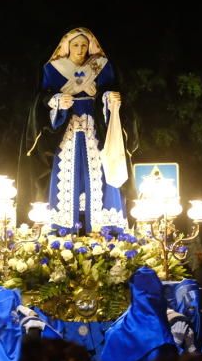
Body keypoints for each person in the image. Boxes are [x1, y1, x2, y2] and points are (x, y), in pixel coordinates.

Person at [24, 27, 133, 233]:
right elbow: (41, 100)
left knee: (100, 170)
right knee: (65, 171)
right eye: (75, 45)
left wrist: (109, 99)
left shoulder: (101, 67)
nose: (80, 49)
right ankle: (62, 228)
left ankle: (106, 228)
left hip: (95, 126)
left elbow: (112, 92)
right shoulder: (53, 69)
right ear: (67, 47)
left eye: (84, 45)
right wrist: (56, 101)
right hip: (67, 127)